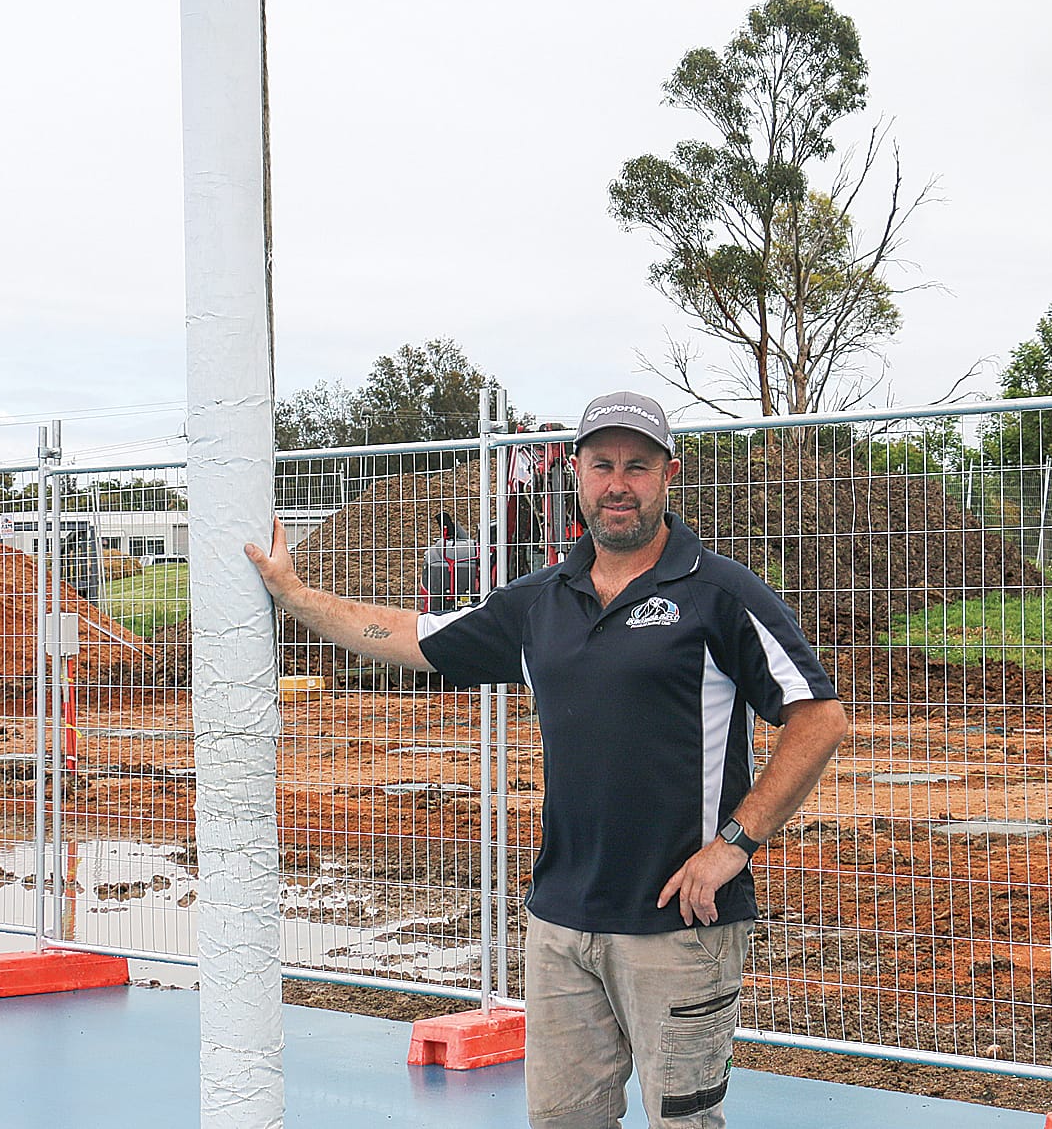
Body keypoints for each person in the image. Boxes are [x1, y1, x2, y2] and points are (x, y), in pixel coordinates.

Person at [246, 390, 848, 1129]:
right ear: (576, 473)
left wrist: (733, 846)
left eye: (637, 466)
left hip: (681, 929)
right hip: (560, 926)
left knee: (683, 1125)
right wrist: (294, 592)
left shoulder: (718, 593)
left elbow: (818, 717)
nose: (617, 483)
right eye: (601, 465)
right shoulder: (539, 601)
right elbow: (410, 635)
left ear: (669, 475)